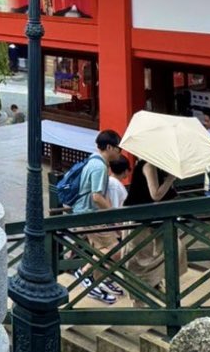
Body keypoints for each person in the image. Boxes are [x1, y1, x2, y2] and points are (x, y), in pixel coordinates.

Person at [123, 157, 185, 306]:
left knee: (176, 249)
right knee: (139, 261)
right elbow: (155, 195)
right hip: (138, 218)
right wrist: (171, 178)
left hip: (154, 219)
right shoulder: (149, 165)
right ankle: (139, 300)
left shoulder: (159, 166)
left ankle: (154, 283)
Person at [71, 129, 123, 304]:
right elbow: (97, 197)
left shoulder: (95, 161)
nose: (120, 152)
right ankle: (86, 275)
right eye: (118, 148)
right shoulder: (99, 166)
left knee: (104, 250)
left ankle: (100, 280)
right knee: (115, 249)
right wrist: (114, 216)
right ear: (109, 147)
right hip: (89, 215)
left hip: (87, 214)